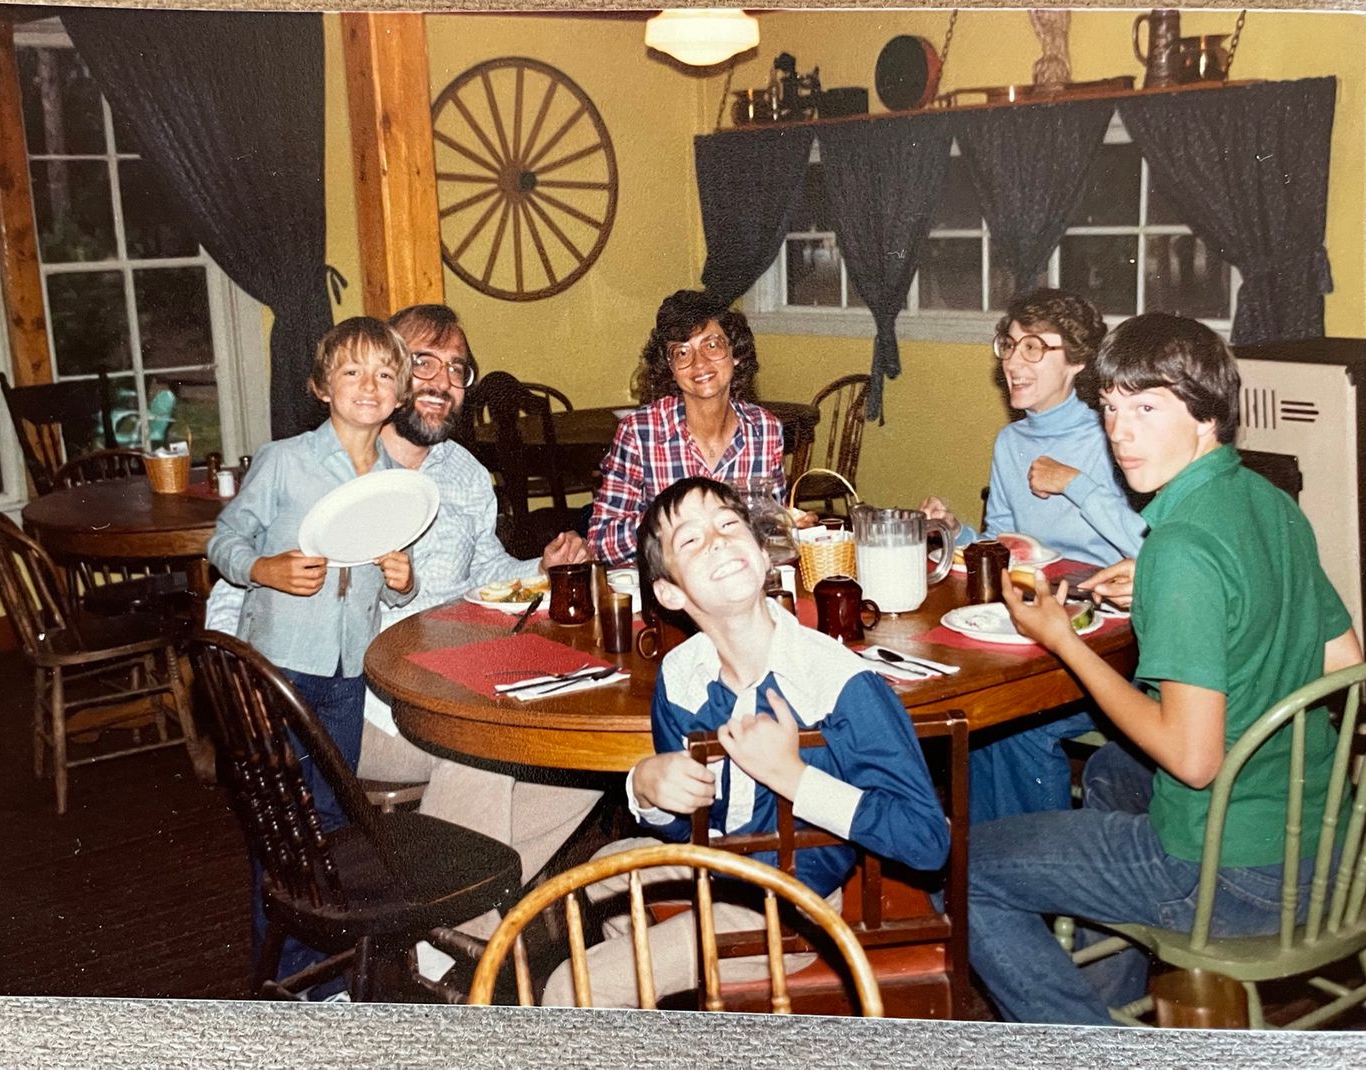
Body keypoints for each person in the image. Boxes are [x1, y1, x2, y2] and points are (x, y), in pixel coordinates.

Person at [966, 312, 1362, 1025]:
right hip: (1327, 853)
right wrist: (1176, 587)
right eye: (1112, 408)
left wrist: (1066, 639)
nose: (1121, 433)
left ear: (1207, 415)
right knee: (1117, 773)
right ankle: (1114, 982)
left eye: (1147, 407)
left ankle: (1094, 1046)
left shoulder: (1180, 549)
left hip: (1233, 877)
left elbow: (1194, 758)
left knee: (961, 867)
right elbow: (1345, 661)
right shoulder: (1270, 504)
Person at [207, 304, 602, 946]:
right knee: (486, 745)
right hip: (358, 703)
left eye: (457, 369)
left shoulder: (466, 476)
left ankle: (460, 910)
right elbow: (235, 589)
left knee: (577, 757)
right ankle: (456, 930)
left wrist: (543, 565)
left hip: (459, 673)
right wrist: (247, 684)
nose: (443, 382)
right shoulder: (323, 466)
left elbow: (490, 572)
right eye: (424, 362)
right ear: (387, 371)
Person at [543, 476, 949, 1007]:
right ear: (669, 593)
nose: (717, 541)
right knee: (587, 885)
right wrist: (647, 786)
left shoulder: (839, 684)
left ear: (764, 554)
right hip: (720, 860)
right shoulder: (682, 676)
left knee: (571, 987)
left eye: (730, 526)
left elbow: (926, 841)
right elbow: (690, 820)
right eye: (690, 540)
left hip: (793, 901)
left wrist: (793, 778)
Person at [206, 317, 418, 988]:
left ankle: (319, 974)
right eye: (352, 371)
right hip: (280, 668)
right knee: (283, 828)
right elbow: (223, 541)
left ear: (401, 394)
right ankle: (290, 976)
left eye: (385, 374)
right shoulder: (285, 460)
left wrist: (403, 578)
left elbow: (380, 584)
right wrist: (262, 568)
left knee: (328, 821)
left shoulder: (392, 479)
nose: (369, 385)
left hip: (347, 672)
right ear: (320, 386)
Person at [920, 289, 1148, 824]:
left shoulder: (1113, 434)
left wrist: (1074, 483)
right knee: (977, 720)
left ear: (1078, 361)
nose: (1011, 361)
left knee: (1010, 727)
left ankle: (1035, 863)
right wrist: (958, 530)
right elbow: (1006, 542)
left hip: (1113, 642)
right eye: (1007, 345)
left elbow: (1148, 547)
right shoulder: (1010, 443)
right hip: (1034, 626)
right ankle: (988, 872)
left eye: (1033, 348)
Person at [587, 290, 786, 565]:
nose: (699, 363)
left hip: (738, 580)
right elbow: (600, 543)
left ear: (735, 353)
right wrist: (670, 520)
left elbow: (771, 529)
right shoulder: (639, 433)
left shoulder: (765, 430)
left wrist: (789, 525)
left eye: (712, 345)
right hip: (669, 591)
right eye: (682, 352)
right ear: (670, 368)